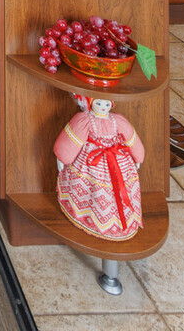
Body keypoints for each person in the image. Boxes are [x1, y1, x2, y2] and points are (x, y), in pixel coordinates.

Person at [53, 95, 144, 241]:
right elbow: (72, 140)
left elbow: (130, 137)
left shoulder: (118, 120)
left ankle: (116, 223)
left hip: (116, 158)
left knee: (118, 187)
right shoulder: (84, 120)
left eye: (107, 104)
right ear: (90, 102)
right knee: (94, 188)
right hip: (92, 162)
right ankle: (90, 218)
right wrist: (63, 156)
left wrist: (138, 156)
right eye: (99, 103)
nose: (103, 107)